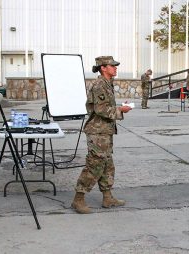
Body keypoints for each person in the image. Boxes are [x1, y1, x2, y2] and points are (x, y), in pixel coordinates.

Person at [71, 56, 132, 214]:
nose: (115, 68)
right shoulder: (100, 85)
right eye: (112, 66)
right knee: (95, 165)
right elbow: (101, 110)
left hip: (105, 131)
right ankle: (78, 199)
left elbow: (104, 107)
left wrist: (119, 107)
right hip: (97, 132)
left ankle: (107, 197)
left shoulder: (107, 84)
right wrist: (120, 110)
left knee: (107, 165)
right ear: (103, 68)